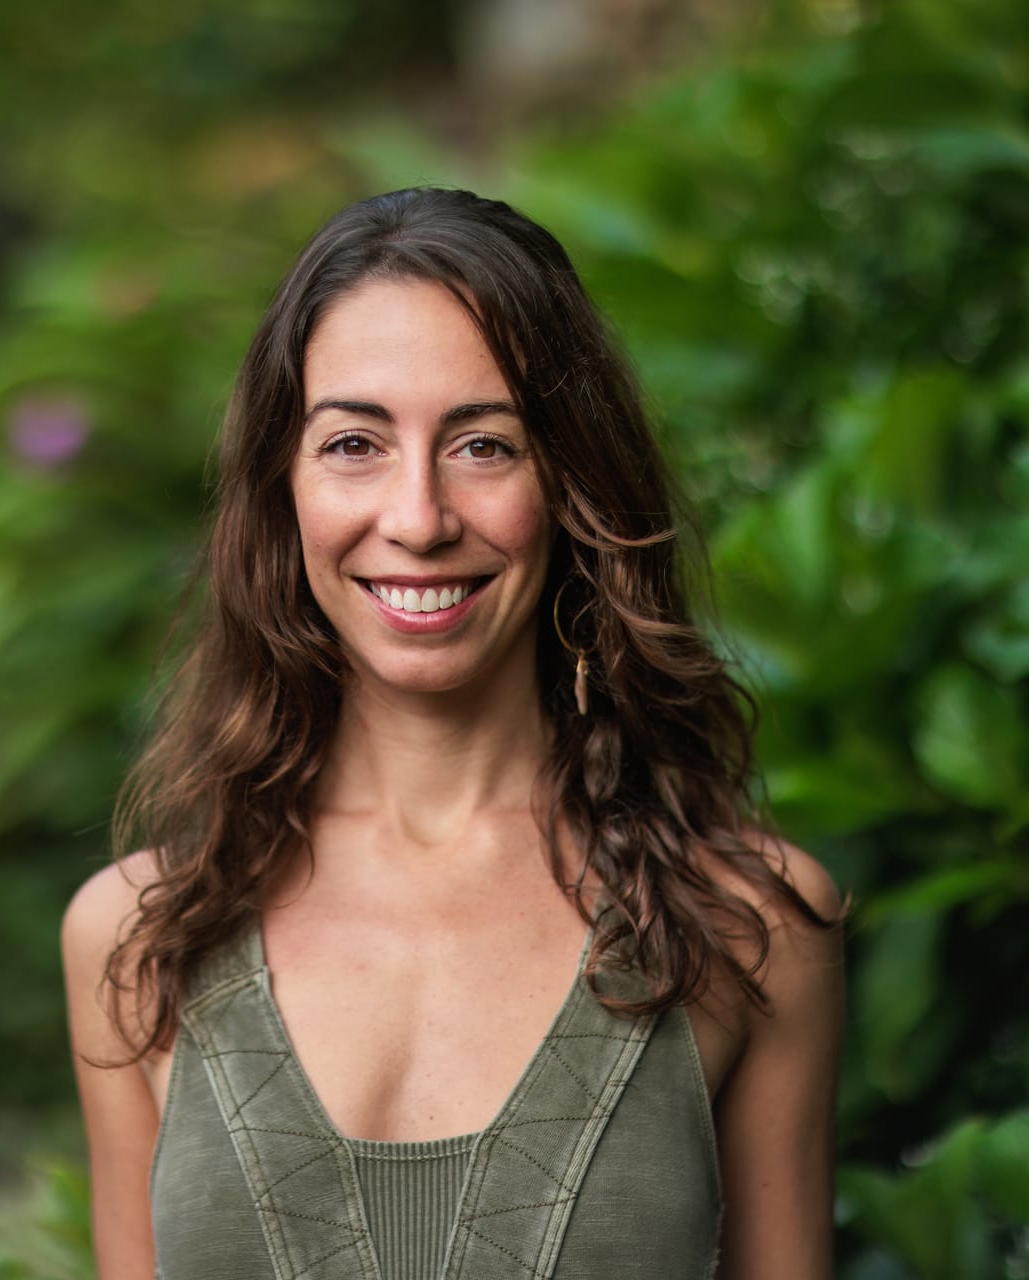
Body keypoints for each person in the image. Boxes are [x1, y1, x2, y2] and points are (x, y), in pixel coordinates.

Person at [61, 187, 844, 1280]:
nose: (420, 518)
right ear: (282, 489)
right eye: (353, 444)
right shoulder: (142, 940)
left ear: (571, 482)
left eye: (484, 444)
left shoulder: (749, 927)